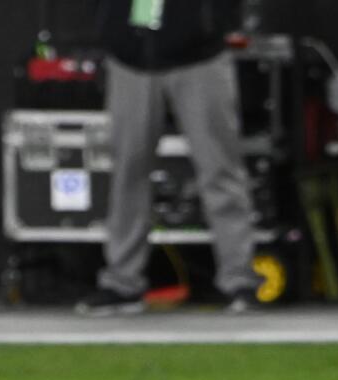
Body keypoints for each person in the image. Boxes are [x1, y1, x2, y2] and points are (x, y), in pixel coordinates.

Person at [75, 0, 262, 315]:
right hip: (131, 58)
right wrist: (113, 29)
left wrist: (212, 23)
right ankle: (123, 282)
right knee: (127, 173)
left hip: (199, 58)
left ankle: (239, 278)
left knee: (220, 168)